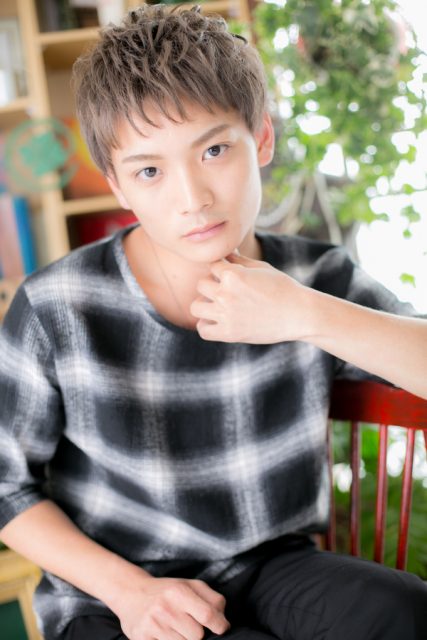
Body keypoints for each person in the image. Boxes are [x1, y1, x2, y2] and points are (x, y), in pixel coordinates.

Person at [0, 4, 426, 640]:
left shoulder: (315, 277)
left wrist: (304, 312)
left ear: (262, 139)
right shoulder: (56, 306)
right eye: (150, 170)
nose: (192, 199)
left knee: (401, 611)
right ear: (118, 185)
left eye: (215, 150)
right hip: (114, 593)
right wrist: (130, 592)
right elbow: (6, 486)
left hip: (271, 565)